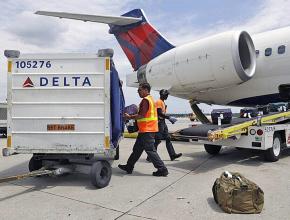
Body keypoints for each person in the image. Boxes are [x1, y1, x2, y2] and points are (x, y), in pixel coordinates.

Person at [118, 83, 169, 177]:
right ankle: (129, 166)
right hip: (145, 130)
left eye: (139, 90)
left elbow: (142, 115)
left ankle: (162, 169)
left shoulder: (146, 100)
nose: (138, 92)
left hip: (147, 130)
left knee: (150, 150)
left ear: (146, 90)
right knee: (137, 150)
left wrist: (130, 116)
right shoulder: (150, 99)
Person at [146, 89, 182, 162]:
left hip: (163, 122)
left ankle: (172, 155)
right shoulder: (159, 102)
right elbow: (159, 113)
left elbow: (162, 113)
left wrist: (168, 119)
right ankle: (150, 157)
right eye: (166, 95)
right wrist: (169, 117)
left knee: (168, 138)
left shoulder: (162, 102)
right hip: (159, 123)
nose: (167, 96)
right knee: (157, 140)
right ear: (163, 94)